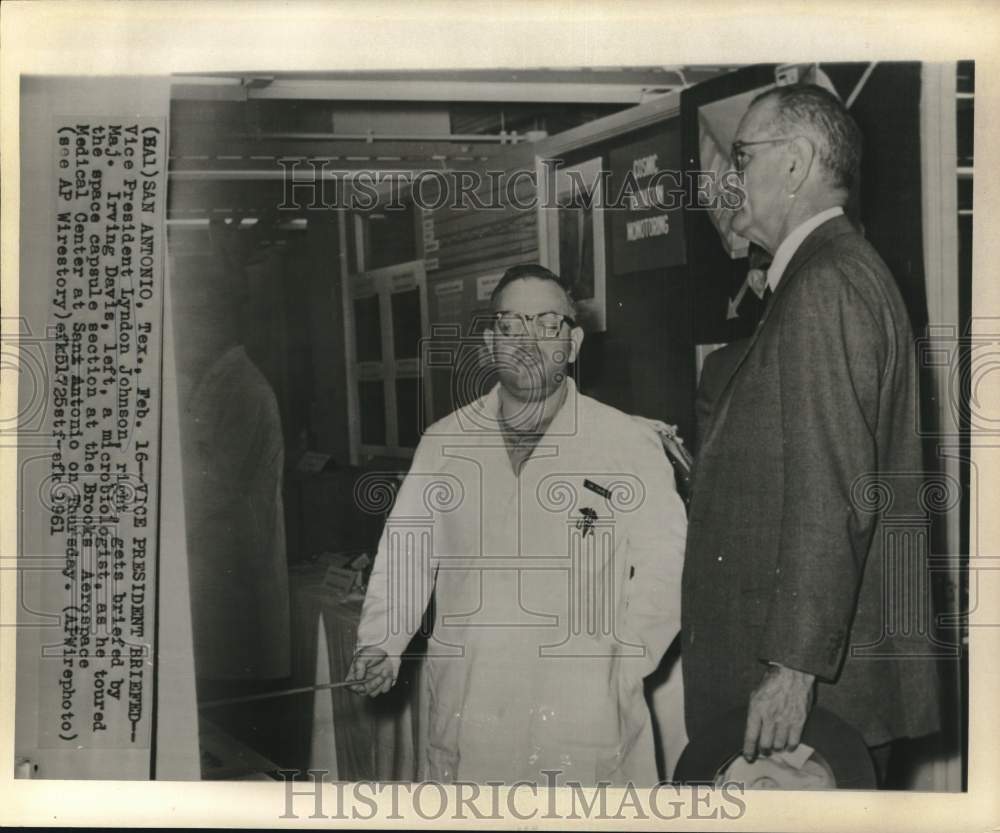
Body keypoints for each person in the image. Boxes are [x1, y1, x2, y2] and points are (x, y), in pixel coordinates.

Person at [682, 84, 941, 782]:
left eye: (742, 155)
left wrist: (793, 666)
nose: (727, 177)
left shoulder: (825, 284)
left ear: (794, 165)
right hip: (823, 691)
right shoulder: (831, 275)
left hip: (813, 700)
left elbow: (833, 495)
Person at [347, 264, 687, 786]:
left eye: (547, 323)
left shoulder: (627, 444)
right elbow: (405, 554)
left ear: (572, 343)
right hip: (472, 701)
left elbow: (669, 568)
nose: (527, 340)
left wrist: (624, 662)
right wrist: (382, 642)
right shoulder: (445, 443)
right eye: (510, 324)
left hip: (584, 708)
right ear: (489, 343)